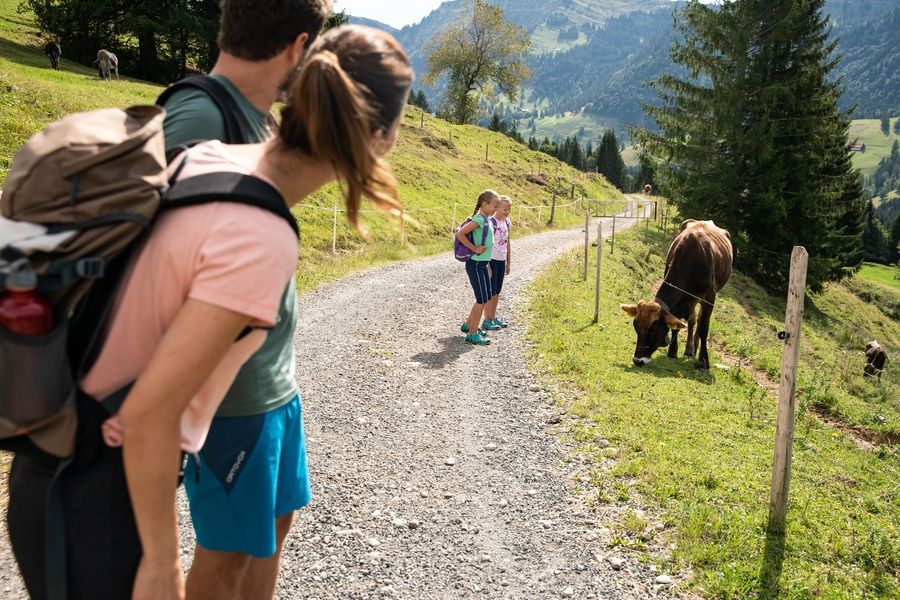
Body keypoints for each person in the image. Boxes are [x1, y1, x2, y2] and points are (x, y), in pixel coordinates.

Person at [7, 24, 413, 600]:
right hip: (96, 492)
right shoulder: (260, 233)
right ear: (380, 136)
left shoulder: (216, 157)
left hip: (66, 459)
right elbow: (151, 415)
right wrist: (161, 562)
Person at [158, 1, 330, 598]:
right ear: (297, 46)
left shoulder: (253, 119)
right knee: (225, 558)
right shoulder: (198, 116)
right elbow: (161, 263)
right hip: (226, 396)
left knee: (270, 533)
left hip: (273, 385)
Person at [457, 190, 499, 345]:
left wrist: (487, 264)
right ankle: (472, 334)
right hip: (475, 264)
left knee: (486, 296)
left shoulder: (487, 219)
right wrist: (474, 248)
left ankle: (469, 325)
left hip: (482, 264)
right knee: (481, 299)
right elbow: (460, 234)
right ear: (485, 204)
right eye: (494, 206)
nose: (496, 208)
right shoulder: (479, 219)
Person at [482, 195, 512, 330]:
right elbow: (487, 244)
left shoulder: (507, 223)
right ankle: (486, 319)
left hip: (502, 259)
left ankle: (493, 317)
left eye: (509, 210)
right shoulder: (491, 222)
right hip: (492, 259)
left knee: (497, 291)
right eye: (504, 209)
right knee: (490, 290)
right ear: (497, 208)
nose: (506, 212)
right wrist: (487, 264)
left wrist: (508, 262)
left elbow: (508, 243)